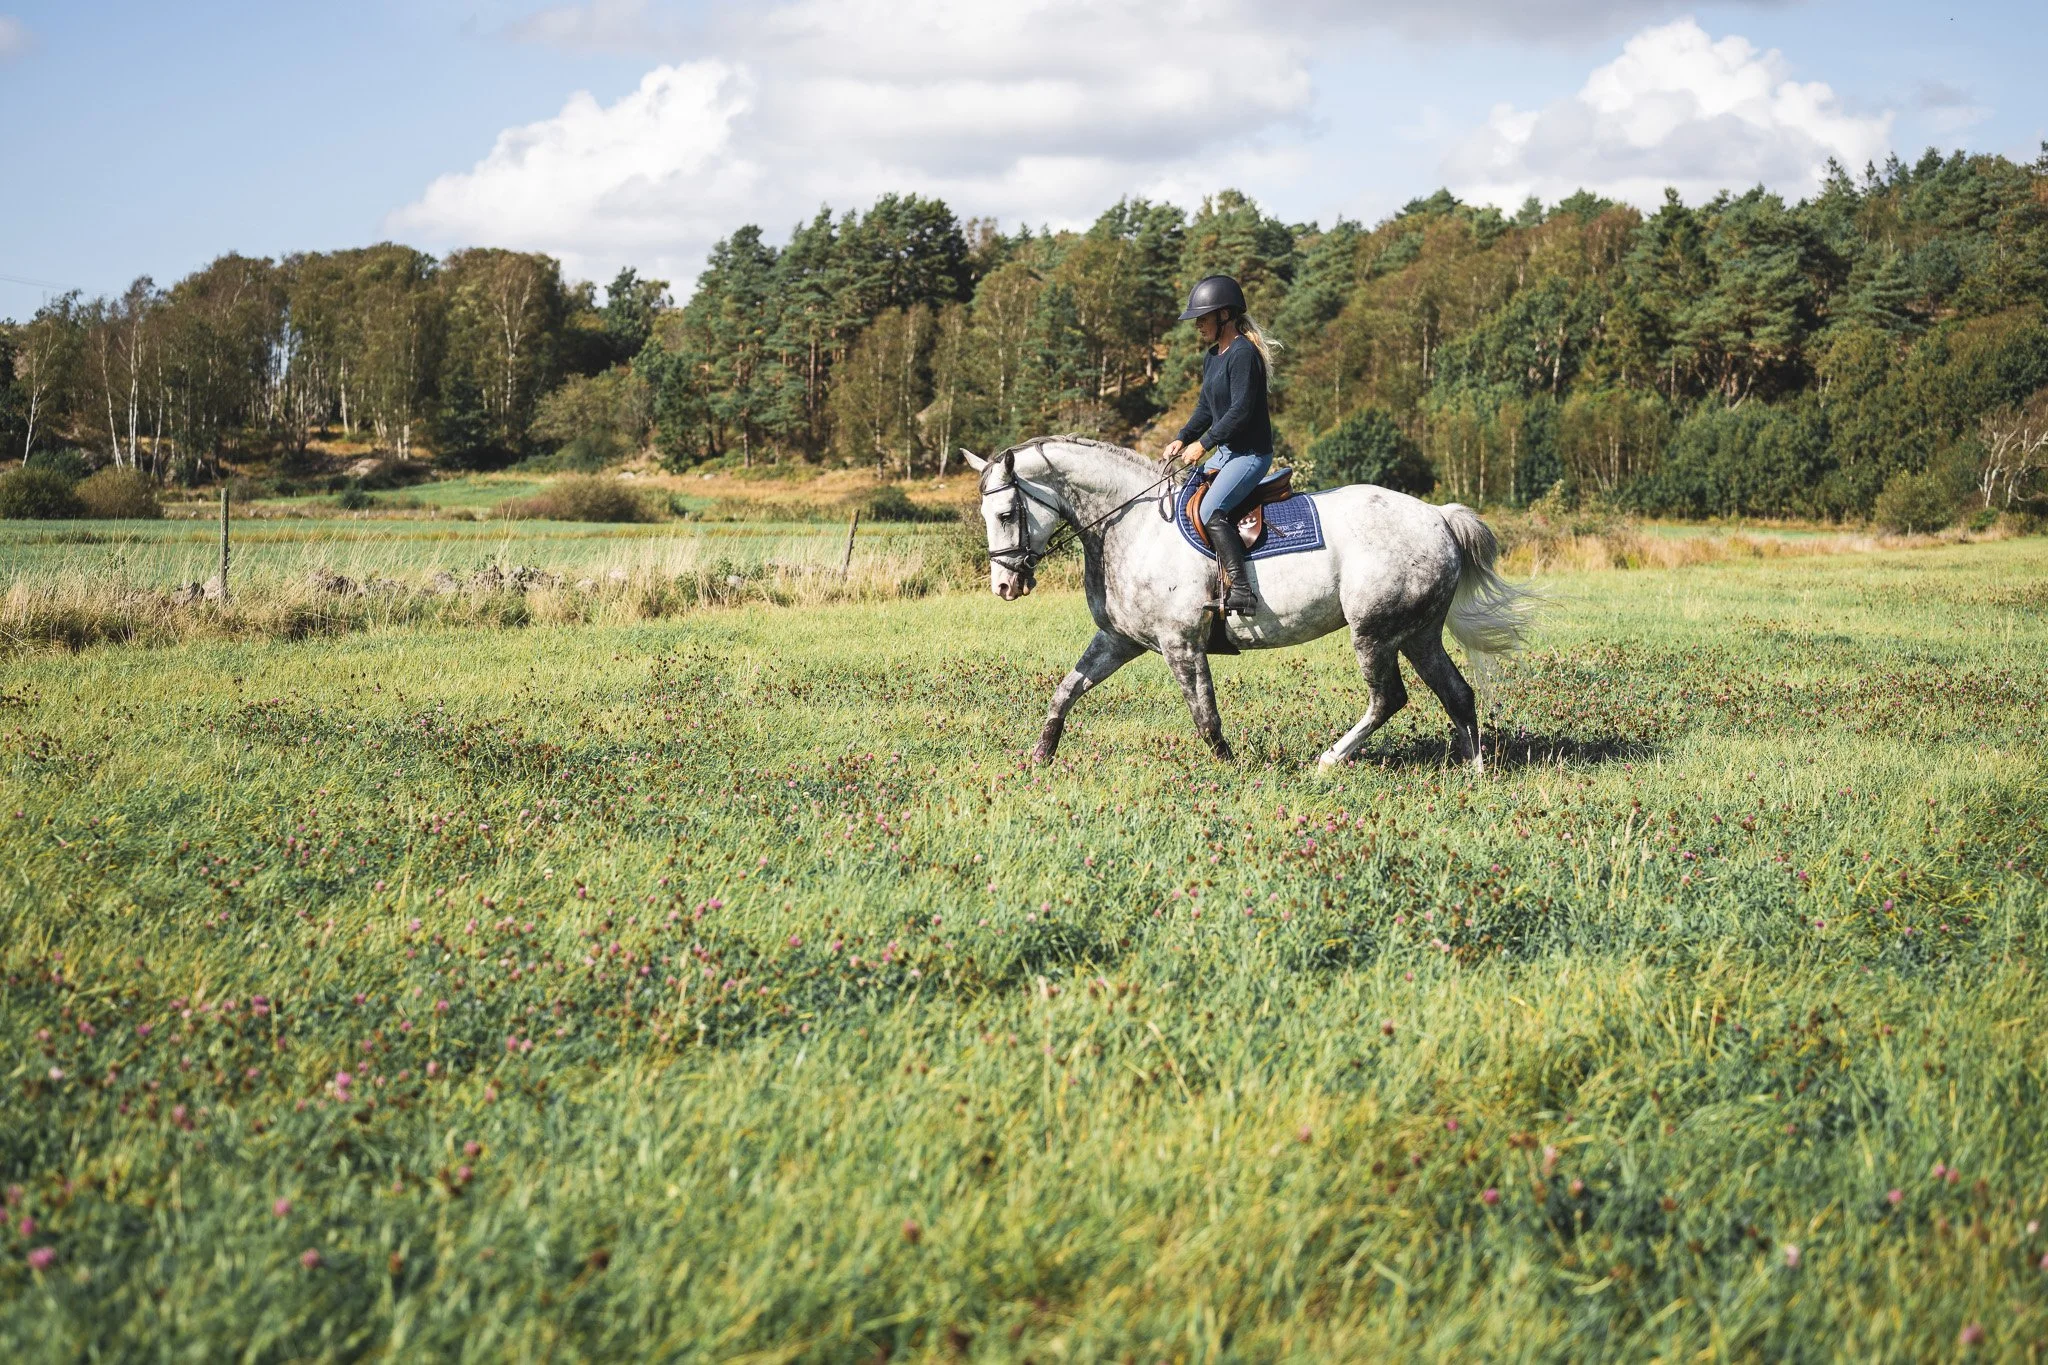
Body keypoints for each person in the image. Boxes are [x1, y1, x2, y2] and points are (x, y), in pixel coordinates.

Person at [1160, 274, 1279, 617]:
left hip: (1250, 455)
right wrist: (1183, 436)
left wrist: (1205, 444)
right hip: (1227, 453)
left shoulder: (1244, 354)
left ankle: (1242, 591)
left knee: (1211, 510)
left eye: (1203, 317)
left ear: (1224, 315)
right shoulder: (1213, 356)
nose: (1198, 325)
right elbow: (1205, 409)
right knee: (1186, 498)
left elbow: (1240, 412)